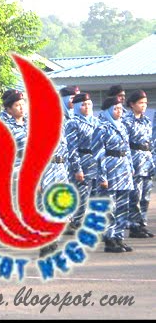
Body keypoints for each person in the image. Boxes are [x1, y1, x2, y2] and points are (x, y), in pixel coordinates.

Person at [92, 96, 135, 253]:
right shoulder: (102, 128)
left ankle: (119, 237)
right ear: (108, 110)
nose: (119, 112)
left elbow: (127, 149)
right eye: (115, 109)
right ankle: (109, 238)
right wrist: (102, 176)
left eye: (120, 109)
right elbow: (98, 153)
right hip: (110, 170)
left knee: (123, 206)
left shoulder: (122, 127)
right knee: (110, 206)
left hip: (123, 169)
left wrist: (130, 166)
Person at [65, 92, 99, 234]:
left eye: (89, 104)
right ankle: (75, 222)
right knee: (81, 196)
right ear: (78, 106)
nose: (87, 107)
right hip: (82, 162)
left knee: (95, 195)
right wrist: (77, 168)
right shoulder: (73, 123)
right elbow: (72, 148)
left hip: (96, 163)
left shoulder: (96, 121)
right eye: (83, 105)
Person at [124, 90, 154, 238]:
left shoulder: (146, 121)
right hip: (134, 162)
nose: (144, 106)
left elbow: (151, 142)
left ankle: (142, 224)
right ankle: (134, 225)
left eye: (145, 103)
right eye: (140, 103)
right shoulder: (126, 121)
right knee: (135, 196)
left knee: (145, 196)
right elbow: (124, 145)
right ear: (132, 104)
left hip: (146, 162)